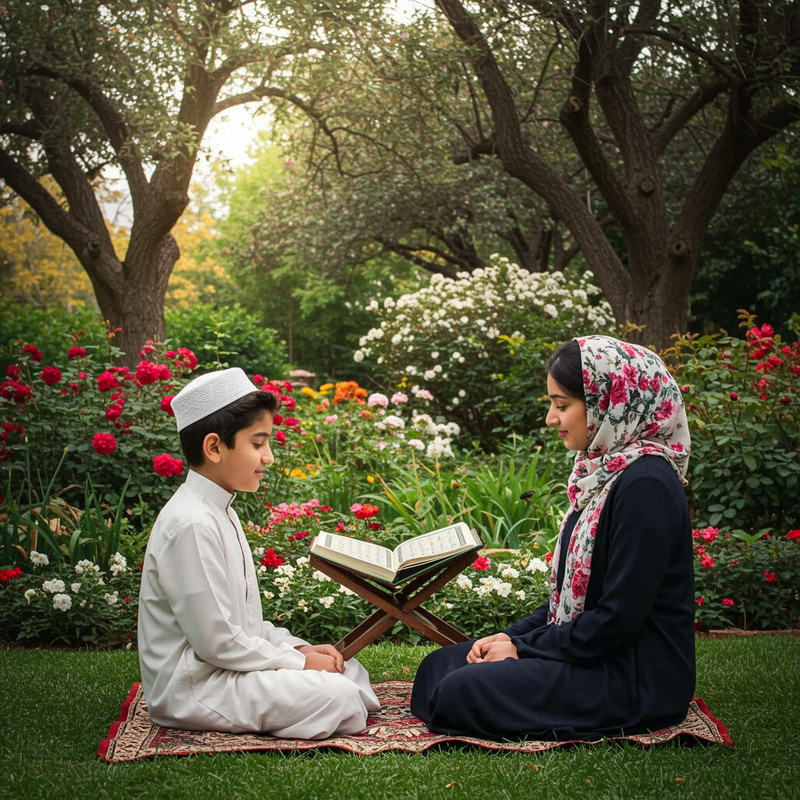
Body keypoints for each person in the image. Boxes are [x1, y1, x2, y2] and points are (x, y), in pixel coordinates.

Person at [410, 335, 695, 741]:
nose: (550, 418)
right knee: (437, 668)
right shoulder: (602, 474)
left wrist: (523, 650)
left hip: (633, 675)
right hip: (589, 651)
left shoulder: (646, 485)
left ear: (608, 402)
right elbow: (570, 605)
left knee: (460, 690)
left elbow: (618, 619)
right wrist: (509, 637)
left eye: (562, 406)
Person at [137, 367, 380, 738]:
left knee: (347, 669)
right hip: (198, 685)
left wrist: (300, 649)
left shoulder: (220, 510)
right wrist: (299, 663)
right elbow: (218, 644)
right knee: (338, 695)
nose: (269, 457)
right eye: (257, 444)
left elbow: (245, 626)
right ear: (214, 447)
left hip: (229, 666)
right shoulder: (191, 523)